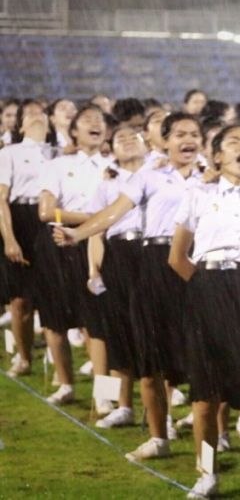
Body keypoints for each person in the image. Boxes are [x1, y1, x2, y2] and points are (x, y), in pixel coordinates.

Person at [54, 112, 204, 461]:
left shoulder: (209, 179)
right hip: (151, 265)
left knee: (202, 358)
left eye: (194, 133)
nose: (188, 140)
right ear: (163, 141)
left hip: (195, 263)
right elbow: (113, 213)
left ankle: (210, 449)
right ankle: (153, 434)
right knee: (148, 356)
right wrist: (78, 234)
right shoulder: (148, 177)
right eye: (179, 133)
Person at [168, 124, 240, 499]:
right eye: (234, 142)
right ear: (217, 156)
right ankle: (206, 475)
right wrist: (207, 290)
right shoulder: (198, 197)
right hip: (209, 289)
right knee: (205, 395)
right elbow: (177, 257)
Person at [37, 104, 111, 406]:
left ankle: (104, 396)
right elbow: (45, 211)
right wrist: (92, 215)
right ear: (75, 132)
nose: (96, 124)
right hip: (57, 244)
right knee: (54, 318)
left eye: (100, 120)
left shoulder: (113, 166)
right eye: (88, 120)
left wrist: (91, 222)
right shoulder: (57, 165)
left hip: (98, 244)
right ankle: (66, 385)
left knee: (98, 321)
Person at [84, 125, 148, 429]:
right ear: (111, 149)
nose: (126, 141)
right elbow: (96, 230)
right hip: (119, 253)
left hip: (151, 251)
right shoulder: (107, 184)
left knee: (154, 328)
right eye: (119, 139)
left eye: (132, 136)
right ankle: (122, 404)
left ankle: (159, 411)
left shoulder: (159, 176)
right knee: (116, 329)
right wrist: (93, 270)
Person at [0, 99, 56, 377]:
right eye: (30, 113)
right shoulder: (9, 153)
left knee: (54, 297)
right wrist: (9, 238)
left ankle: (59, 365)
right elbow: (1, 198)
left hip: (52, 217)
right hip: (21, 219)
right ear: (20, 124)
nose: (37, 117)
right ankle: (24, 357)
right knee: (20, 299)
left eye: (41, 113)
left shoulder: (58, 153)